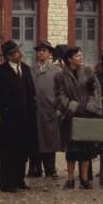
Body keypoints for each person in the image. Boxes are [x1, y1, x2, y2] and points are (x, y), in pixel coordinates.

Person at [0, 40, 37, 192]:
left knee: (22, 150)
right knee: (9, 151)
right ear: (8, 56)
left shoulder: (26, 69)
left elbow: (31, 92)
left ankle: (19, 179)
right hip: (9, 119)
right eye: (16, 52)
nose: (20, 54)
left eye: (19, 51)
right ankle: (7, 183)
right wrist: (4, 112)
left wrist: (31, 110)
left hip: (25, 118)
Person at [55, 46, 102, 189]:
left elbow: (96, 89)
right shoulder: (61, 75)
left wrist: (90, 106)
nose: (81, 58)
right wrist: (72, 105)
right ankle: (70, 179)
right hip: (71, 114)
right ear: (69, 59)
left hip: (87, 113)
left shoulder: (88, 71)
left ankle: (84, 178)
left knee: (86, 148)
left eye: (81, 56)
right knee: (72, 148)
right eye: (77, 56)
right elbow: (59, 94)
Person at [27, 40, 61, 178]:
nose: (41, 53)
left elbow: (61, 91)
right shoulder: (30, 70)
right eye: (39, 50)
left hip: (49, 110)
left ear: (49, 53)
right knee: (34, 140)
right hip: (34, 111)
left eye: (44, 50)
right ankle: (34, 168)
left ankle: (50, 168)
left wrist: (59, 108)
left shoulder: (56, 71)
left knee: (49, 140)